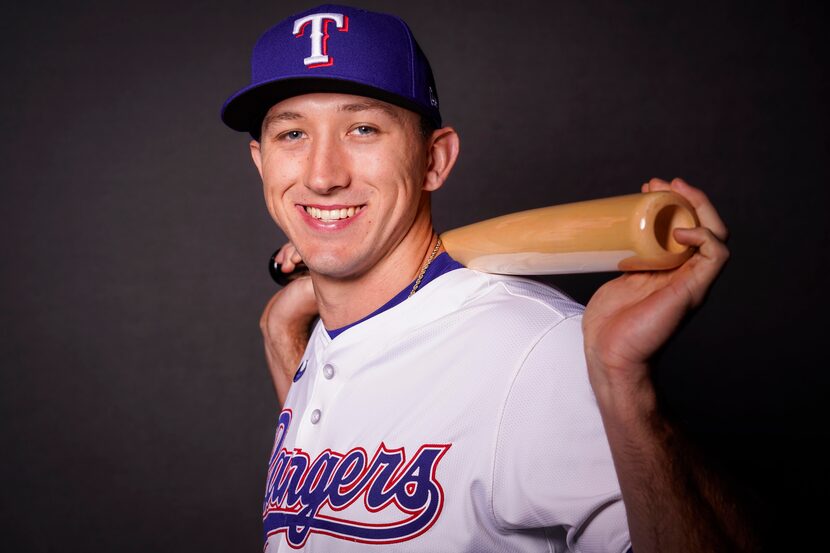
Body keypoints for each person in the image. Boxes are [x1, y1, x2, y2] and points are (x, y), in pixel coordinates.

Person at [221, 4, 758, 552]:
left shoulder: (537, 352)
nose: (322, 175)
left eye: (362, 129)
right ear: (261, 162)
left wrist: (623, 387)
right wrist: (283, 335)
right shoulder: (323, 336)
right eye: (292, 134)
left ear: (434, 159)